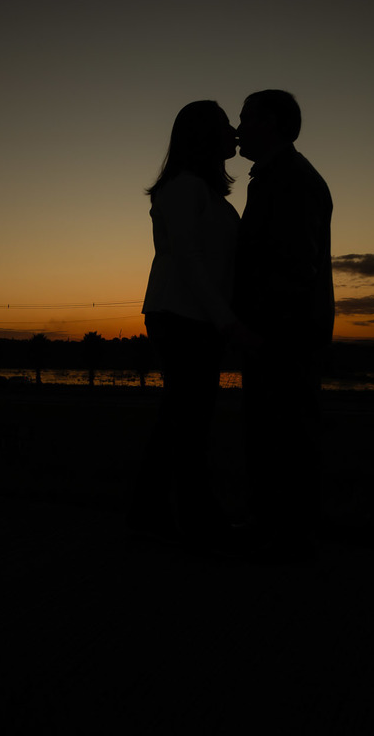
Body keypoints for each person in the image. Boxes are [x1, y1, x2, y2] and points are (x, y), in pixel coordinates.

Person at [131, 100, 248, 542]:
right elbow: (189, 260)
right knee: (190, 422)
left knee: (178, 420)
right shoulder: (183, 188)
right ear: (202, 136)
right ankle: (199, 521)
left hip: (193, 316)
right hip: (180, 317)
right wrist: (227, 321)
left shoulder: (204, 191)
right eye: (224, 125)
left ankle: (150, 513)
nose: (234, 130)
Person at [232, 89, 334, 561]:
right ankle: (278, 527)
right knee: (279, 432)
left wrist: (259, 328)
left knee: (284, 432)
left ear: (269, 122)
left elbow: (293, 265)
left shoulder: (289, 179)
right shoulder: (279, 176)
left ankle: (285, 534)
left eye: (245, 118)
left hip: (283, 331)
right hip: (282, 328)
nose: (237, 128)